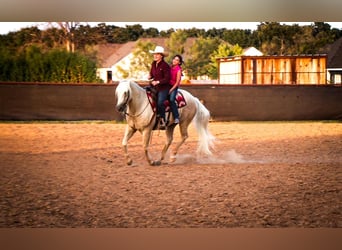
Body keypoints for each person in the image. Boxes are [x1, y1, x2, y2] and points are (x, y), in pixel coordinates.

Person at [148, 46, 171, 129]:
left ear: (161, 56)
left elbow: (167, 78)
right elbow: (152, 74)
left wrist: (158, 81)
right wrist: (150, 76)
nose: (155, 56)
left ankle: (163, 120)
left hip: (164, 88)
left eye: (157, 54)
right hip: (154, 86)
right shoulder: (153, 64)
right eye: (154, 54)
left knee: (160, 102)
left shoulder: (165, 66)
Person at [169, 54, 183, 124]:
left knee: (171, 99)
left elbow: (177, 82)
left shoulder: (179, 70)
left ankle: (176, 116)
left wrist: (171, 90)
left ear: (179, 62)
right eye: (174, 59)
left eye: (177, 60)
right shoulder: (170, 67)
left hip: (174, 86)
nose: (174, 60)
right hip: (167, 85)